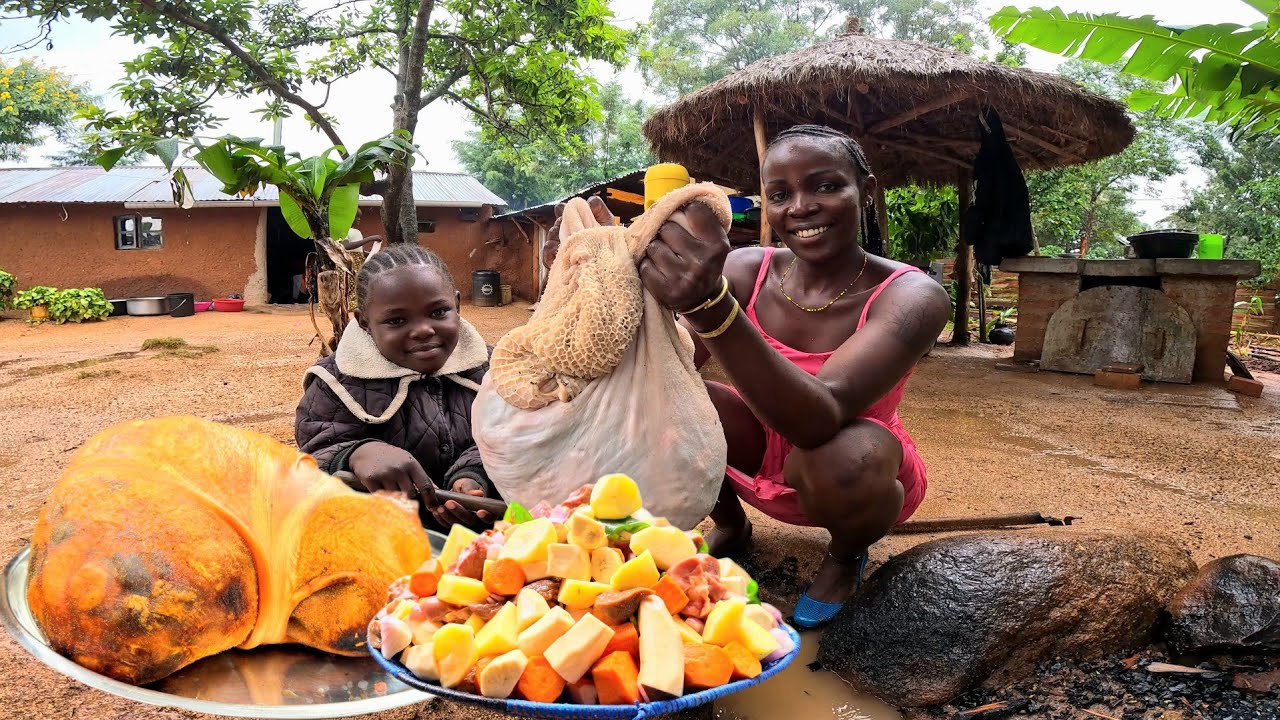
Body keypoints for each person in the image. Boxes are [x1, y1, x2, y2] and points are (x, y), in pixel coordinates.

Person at [634, 125, 950, 628]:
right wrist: (602, 275)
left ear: (866, 192)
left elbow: (820, 418)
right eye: (780, 195)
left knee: (850, 455)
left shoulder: (912, 296)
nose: (800, 207)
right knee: (668, 398)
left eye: (826, 186)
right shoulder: (747, 269)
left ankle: (845, 556)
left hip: (849, 469)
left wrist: (711, 308)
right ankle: (731, 522)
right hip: (759, 444)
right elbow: (674, 366)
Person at [295, 243, 498, 531]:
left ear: (457, 305)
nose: (423, 330)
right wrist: (358, 454)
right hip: (380, 538)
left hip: (481, 538)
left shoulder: (493, 369)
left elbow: (511, 435)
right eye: (397, 320)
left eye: (439, 312)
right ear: (364, 322)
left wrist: (473, 475)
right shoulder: (336, 384)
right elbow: (314, 456)